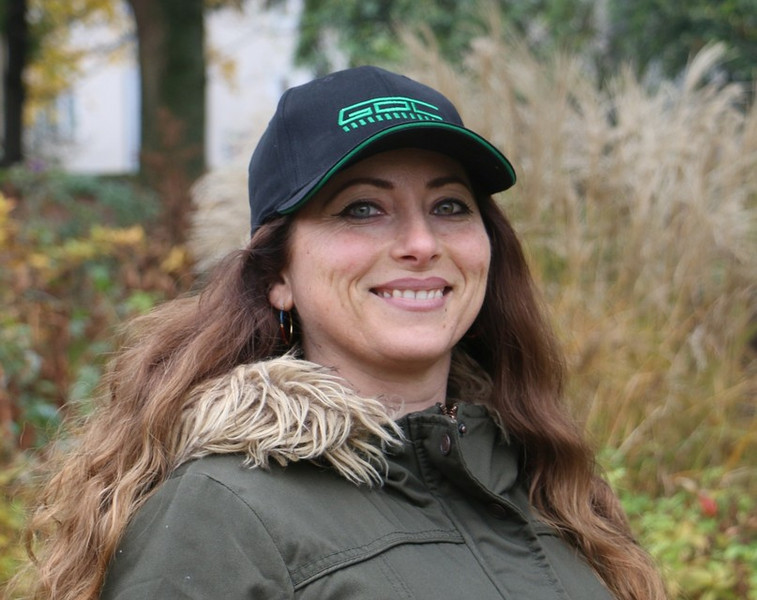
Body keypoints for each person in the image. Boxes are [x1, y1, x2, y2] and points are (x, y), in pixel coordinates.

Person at [23, 66, 666, 599]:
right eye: (362, 208)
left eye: (449, 206)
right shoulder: (221, 517)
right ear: (278, 275)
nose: (422, 243)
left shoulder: (547, 486)